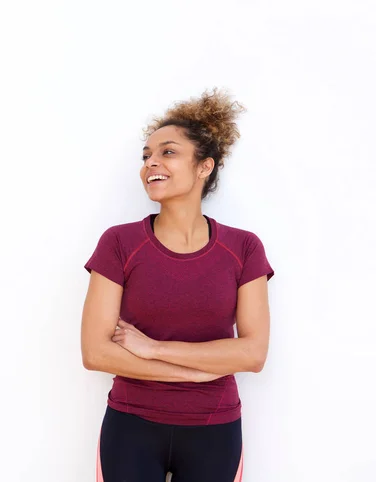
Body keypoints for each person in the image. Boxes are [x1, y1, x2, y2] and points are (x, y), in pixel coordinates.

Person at [81, 87, 275, 482]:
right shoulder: (119, 243)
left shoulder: (244, 248)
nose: (151, 162)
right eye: (146, 155)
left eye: (167, 152)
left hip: (215, 429)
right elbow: (96, 353)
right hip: (130, 426)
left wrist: (152, 349)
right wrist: (196, 372)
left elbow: (252, 353)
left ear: (205, 166)